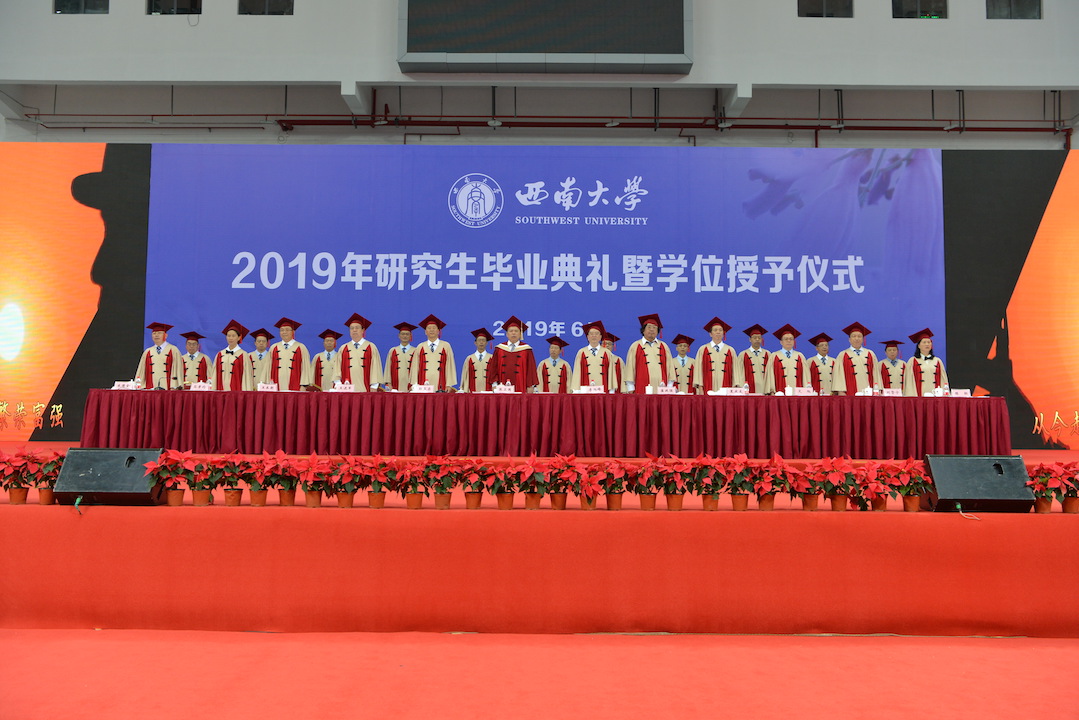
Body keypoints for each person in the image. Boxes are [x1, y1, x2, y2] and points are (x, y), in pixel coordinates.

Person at [625, 313, 674, 393]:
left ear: (658, 331)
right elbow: (630, 367)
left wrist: (670, 385)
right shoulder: (636, 346)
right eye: (649, 327)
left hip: (662, 386)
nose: (652, 330)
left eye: (654, 327)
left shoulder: (664, 346)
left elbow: (670, 366)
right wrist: (630, 387)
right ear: (643, 330)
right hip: (641, 385)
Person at [334, 313, 383, 392]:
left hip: (366, 388)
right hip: (346, 389)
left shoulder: (371, 347)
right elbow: (337, 369)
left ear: (363, 330)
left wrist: (374, 386)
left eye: (357, 328)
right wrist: (338, 384)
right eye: (351, 328)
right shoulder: (343, 348)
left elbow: (376, 368)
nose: (354, 330)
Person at [408, 314, 458, 391]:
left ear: (438, 331)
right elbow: (415, 367)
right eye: (429, 328)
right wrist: (414, 384)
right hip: (423, 384)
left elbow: (450, 365)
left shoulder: (446, 346)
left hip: (441, 383)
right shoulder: (420, 347)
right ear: (425, 332)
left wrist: (449, 384)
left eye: (434, 328)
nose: (431, 330)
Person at [489, 316, 538, 392]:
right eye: (511, 331)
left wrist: (530, 385)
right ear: (507, 334)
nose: (513, 333)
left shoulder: (526, 349)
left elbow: (531, 369)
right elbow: (494, 368)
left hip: (521, 385)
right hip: (501, 385)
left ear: (520, 334)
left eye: (516, 331)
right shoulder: (499, 349)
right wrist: (494, 384)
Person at [832, 321, 881, 395]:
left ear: (863, 339)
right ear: (849, 339)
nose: (856, 338)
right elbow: (839, 375)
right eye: (854, 336)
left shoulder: (870, 354)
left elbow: (876, 373)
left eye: (859, 336)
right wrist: (840, 391)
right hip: (849, 391)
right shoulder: (842, 355)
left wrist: (877, 389)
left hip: (868, 391)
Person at [694, 317, 741, 393]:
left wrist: (735, 387)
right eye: (715, 330)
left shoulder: (730, 350)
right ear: (710, 334)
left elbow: (735, 371)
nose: (718, 332)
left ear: (723, 333)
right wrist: (700, 388)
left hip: (726, 387)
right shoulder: (703, 349)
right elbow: (698, 370)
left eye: (720, 330)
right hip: (707, 387)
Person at [265, 317, 313, 391]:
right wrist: (267, 383)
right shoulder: (274, 347)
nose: (284, 332)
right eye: (282, 330)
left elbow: (305, 368)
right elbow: (268, 368)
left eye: (287, 330)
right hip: (276, 385)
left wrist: (304, 385)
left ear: (293, 332)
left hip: (296, 385)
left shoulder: (301, 347)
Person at [134, 321, 183, 390]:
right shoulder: (147, 351)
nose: (156, 335)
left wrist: (176, 385)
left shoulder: (173, 350)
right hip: (150, 388)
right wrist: (139, 385)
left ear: (166, 335)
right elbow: (141, 371)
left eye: (159, 333)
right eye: (154, 333)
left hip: (168, 388)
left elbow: (177, 370)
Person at [571, 320, 616, 392]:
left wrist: (611, 390)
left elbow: (611, 372)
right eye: (591, 334)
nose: (594, 336)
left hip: (603, 390)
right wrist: (576, 390)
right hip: (585, 390)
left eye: (596, 333)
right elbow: (577, 372)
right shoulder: (581, 352)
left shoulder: (607, 353)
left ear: (600, 337)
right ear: (587, 337)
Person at [764, 324, 808, 395]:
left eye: (791, 339)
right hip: (779, 393)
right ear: (781, 342)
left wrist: (806, 390)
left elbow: (805, 377)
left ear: (794, 341)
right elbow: (770, 376)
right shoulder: (774, 356)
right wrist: (771, 390)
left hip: (798, 394)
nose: (789, 341)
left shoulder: (800, 356)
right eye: (786, 339)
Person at [904, 328, 949, 396]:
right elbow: (909, 382)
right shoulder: (912, 361)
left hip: (935, 396)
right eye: (924, 342)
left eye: (929, 342)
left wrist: (944, 395)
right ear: (919, 345)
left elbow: (943, 380)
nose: (927, 344)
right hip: (919, 395)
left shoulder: (937, 361)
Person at [212, 319, 252, 392]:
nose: (230, 338)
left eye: (233, 336)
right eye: (228, 336)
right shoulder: (220, 354)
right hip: (221, 391)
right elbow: (215, 375)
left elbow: (247, 377)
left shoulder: (243, 355)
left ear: (239, 337)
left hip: (237, 392)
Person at [736, 324, 770, 394]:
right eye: (754, 337)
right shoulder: (743, 354)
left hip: (764, 389)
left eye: (759, 338)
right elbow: (739, 373)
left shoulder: (768, 354)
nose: (757, 339)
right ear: (750, 339)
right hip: (748, 389)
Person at [384, 322, 417, 391]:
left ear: (410, 336)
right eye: (403, 334)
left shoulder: (415, 351)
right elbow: (388, 368)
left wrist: (415, 384)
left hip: (411, 386)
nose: (405, 336)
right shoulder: (393, 351)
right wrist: (388, 383)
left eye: (407, 334)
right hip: (395, 385)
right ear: (399, 335)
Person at [460, 328, 494, 393]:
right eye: (479, 340)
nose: (481, 342)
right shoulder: (469, 358)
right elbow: (465, 376)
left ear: (486, 343)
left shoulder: (492, 358)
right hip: (472, 390)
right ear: (475, 343)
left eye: (483, 340)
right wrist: (463, 388)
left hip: (488, 391)